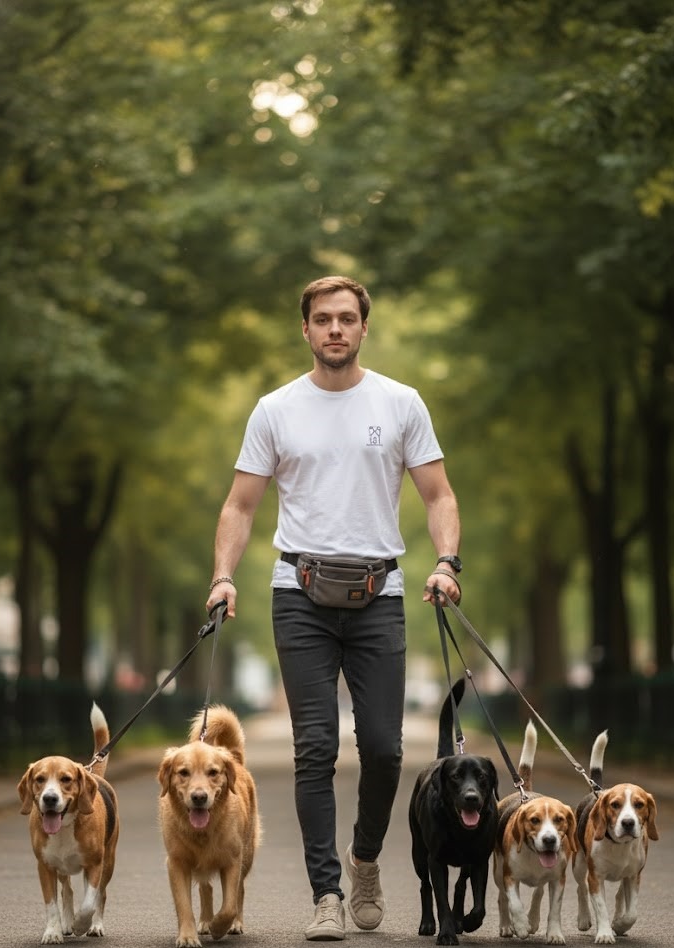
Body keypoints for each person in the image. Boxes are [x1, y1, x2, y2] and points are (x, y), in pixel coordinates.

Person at [205, 275, 462, 941]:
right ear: (306, 329)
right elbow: (239, 505)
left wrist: (444, 561)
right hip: (299, 594)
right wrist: (223, 577)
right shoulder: (275, 409)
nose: (335, 330)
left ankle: (365, 859)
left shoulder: (400, 403)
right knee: (313, 748)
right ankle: (326, 893)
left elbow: (437, 494)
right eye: (323, 319)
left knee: (381, 749)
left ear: (363, 327)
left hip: (380, 593)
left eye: (346, 318)